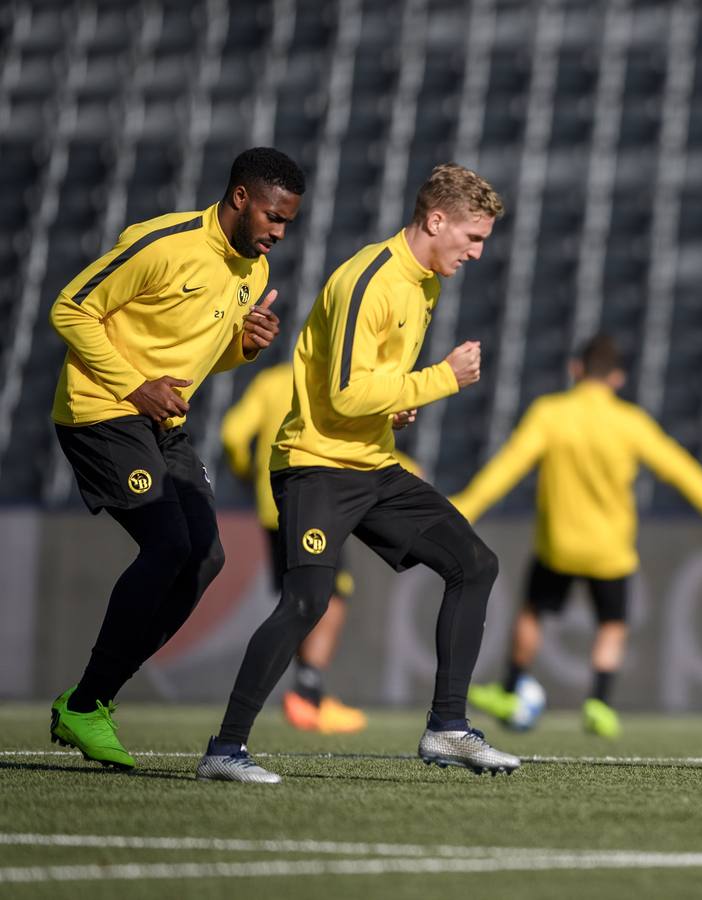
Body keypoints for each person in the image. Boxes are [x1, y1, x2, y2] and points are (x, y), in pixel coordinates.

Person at [198, 163, 518, 782]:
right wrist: (441, 379)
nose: (477, 253)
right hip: (315, 467)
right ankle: (225, 749)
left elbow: (367, 386)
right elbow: (344, 394)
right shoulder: (371, 279)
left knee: (475, 563)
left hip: (372, 465)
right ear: (435, 220)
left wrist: (398, 404)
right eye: (472, 238)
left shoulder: (425, 282)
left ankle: (449, 728)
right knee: (306, 601)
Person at [47, 148, 304, 770]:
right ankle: (88, 702)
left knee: (206, 557)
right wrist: (134, 383)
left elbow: (196, 355)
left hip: (163, 424)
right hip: (102, 411)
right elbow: (68, 307)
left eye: (288, 223)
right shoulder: (162, 242)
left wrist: (241, 346)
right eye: (272, 216)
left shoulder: (247, 271)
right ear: (239, 198)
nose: (278, 232)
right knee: (167, 545)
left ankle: (89, 699)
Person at [454, 335, 702, 739]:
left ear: (576, 369)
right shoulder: (630, 423)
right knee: (611, 625)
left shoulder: (550, 414)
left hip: (558, 546)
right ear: (617, 378)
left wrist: (466, 506)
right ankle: (599, 703)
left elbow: (508, 466)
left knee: (532, 612)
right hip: (610, 551)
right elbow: (680, 469)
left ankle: (510, 688)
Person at [222, 363, 417, 735]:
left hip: (272, 501)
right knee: (328, 596)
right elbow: (351, 439)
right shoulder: (333, 381)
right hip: (316, 498)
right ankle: (306, 694)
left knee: (302, 597)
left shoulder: (270, 380)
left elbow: (232, 433)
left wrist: (247, 471)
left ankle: (305, 695)